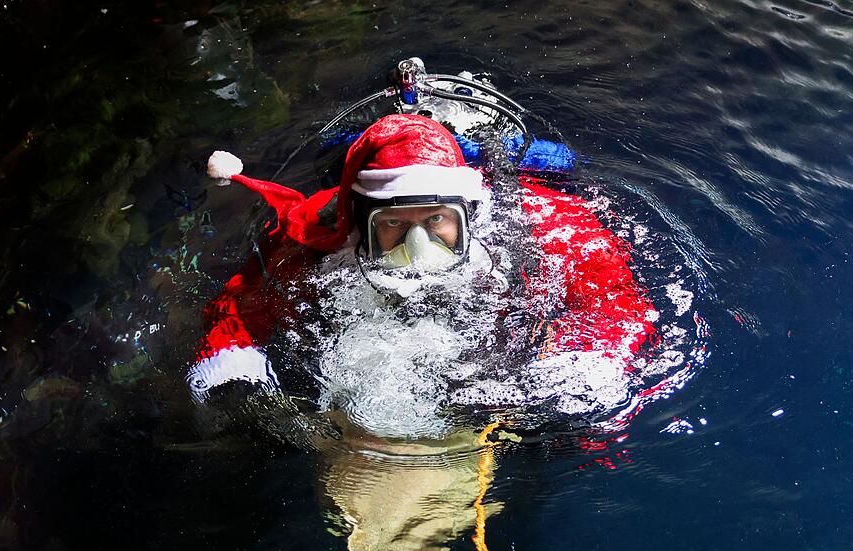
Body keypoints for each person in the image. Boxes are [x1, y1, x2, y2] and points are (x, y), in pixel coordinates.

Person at [187, 113, 657, 416]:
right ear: (361, 224)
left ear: (469, 216)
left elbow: (616, 301)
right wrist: (238, 381)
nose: (417, 244)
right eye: (393, 224)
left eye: (436, 221)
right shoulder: (317, 238)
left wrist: (575, 372)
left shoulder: (545, 220)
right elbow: (236, 308)